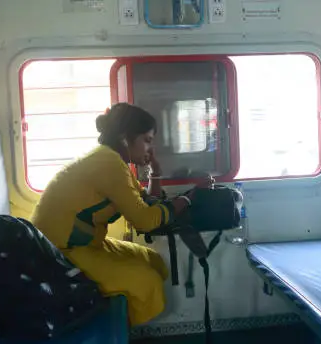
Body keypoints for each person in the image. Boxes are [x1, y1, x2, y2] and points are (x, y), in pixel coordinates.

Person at [30, 103, 198, 326]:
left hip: (86, 244)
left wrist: (155, 174)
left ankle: (114, 323)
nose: (150, 149)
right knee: (147, 282)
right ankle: (110, 330)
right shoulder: (108, 164)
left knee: (153, 261)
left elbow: (147, 203)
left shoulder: (113, 162)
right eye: (147, 140)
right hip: (59, 252)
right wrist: (186, 199)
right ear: (124, 138)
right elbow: (146, 222)